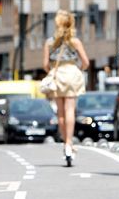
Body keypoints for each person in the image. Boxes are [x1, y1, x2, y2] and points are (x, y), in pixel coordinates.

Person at [42, 10, 90, 166]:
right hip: (72, 73)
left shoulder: (49, 42)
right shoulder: (75, 42)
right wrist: (78, 69)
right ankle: (70, 143)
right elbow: (85, 62)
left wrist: (53, 70)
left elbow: (45, 65)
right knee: (70, 110)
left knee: (60, 113)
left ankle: (65, 144)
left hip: (57, 74)